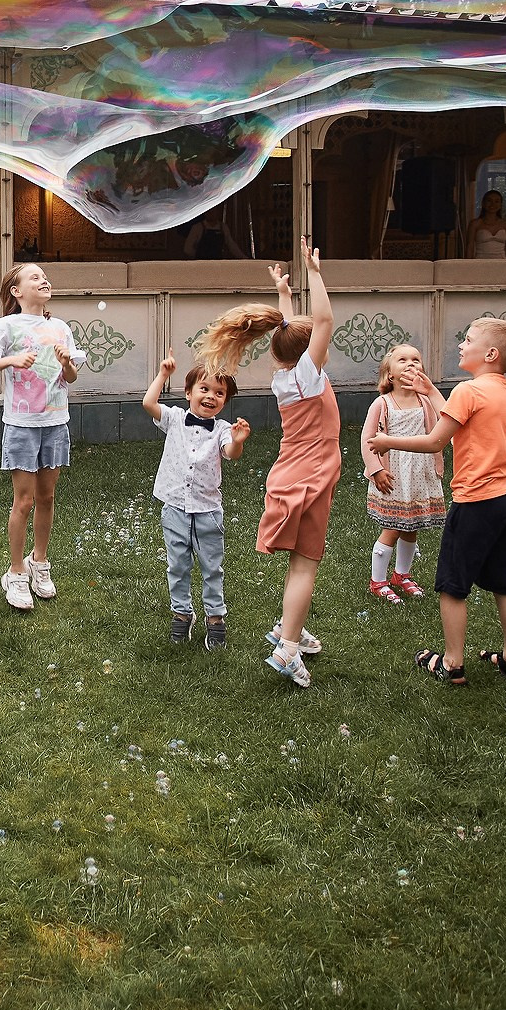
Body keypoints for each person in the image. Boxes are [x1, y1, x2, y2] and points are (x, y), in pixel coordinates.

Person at [195, 237, 336, 689]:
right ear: (309, 351)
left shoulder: (287, 376)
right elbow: (324, 322)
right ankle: (288, 647)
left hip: (292, 473)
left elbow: (292, 332)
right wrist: (315, 273)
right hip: (311, 476)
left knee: (300, 560)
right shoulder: (308, 376)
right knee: (306, 563)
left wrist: (283, 293)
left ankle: (288, 626)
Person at [369, 317, 506, 686]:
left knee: (452, 586)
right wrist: (431, 391)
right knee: (504, 582)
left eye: (468, 340)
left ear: (490, 354)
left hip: (477, 503)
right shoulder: (504, 390)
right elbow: (461, 425)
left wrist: (387, 442)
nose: (461, 344)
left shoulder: (467, 390)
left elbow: (435, 441)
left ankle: (452, 663)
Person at [0, 264, 87, 611]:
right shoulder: (6, 326)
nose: (44, 280)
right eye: (35, 277)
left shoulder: (61, 328)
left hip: (55, 422)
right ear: (16, 291)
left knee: (47, 497)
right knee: (23, 502)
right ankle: (15, 572)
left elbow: (71, 377)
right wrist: (12, 359)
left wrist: (66, 363)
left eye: (45, 277)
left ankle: (39, 562)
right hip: (22, 424)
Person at [141, 352, 251, 650]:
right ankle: (182, 614)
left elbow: (231, 453)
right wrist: (163, 374)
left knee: (212, 567)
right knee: (177, 566)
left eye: (219, 393)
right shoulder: (175, 418)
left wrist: (238, 441)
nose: (211, 396)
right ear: (188, 393)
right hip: (174, 507)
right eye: (204, 389)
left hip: (208, 511)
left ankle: (215, 618)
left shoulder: (223, 429)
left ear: (225, 401)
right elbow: (148, 404)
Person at [359, 343, 445, 604]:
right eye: (403, 360)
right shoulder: (382, 403)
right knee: (392, 528)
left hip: (419, 474)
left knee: (411, 527)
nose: (410, 364)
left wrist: (436, 466)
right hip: (393, 475)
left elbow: (439, 430)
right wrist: (376, 470)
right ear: (390, 374)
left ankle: (401, 575)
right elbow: (367, 439)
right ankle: (378, 581)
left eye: (416, 360)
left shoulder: (425, 401)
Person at [182, 210, 248, 259]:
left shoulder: (223, 228)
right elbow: (187, 249)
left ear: (217, 212)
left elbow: (232, 245)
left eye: (213, 211)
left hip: (217, 264)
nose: (210, 213)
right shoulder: (197, 227)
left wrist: (244, 258)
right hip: (201, 265)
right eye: (208, 212)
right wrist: (198, 257)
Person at [468, 190, 506, 258]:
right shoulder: (475, 224)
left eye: (496, 201)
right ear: (483, 203)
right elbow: (470, 247)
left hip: (502, 261)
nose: (493, 204)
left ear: (500, 205)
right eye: (489, 201)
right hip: (481, 261)